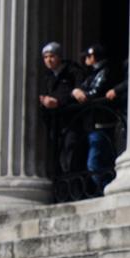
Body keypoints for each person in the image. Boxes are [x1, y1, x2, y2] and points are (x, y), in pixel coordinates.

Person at [73, 44, 115, 191]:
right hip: (91, 123)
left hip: (101, 123)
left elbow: (96, 92)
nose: (85, 59)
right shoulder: (92, 74)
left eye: (88, 56)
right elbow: (83, 90)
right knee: (98, 158)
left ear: (94, 57)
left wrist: (82, 95)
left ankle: (105, 188)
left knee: (95, 162)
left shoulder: (105, 71)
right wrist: (76, 92)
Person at [39, 41, 85, 174]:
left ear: (59, 57)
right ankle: (64, 186)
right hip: (56, 122)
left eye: (51, 56)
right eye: (45, 57)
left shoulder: (73, 71)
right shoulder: (48, 77)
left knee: (72, 151)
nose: (48, 60)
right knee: (60, 155)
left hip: (72, 119)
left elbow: (78, 92)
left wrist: (58, 102)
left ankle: (74, 186)